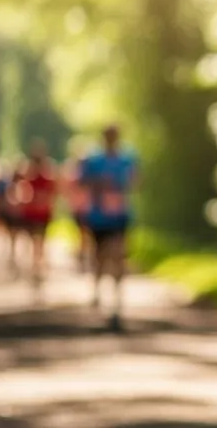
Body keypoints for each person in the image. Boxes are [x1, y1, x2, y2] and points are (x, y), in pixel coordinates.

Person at [78, 124, 138, 331]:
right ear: (104, 138)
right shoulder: (93, 160)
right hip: (98, 217)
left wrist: (125, 183)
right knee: (99, 256)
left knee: (119, 254)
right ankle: (97, 290)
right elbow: (82, 181)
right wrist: (99, 183)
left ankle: (117, 303)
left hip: (120, 216)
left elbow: (136, 181)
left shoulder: (128, 158)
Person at [9, 138, 59, 286]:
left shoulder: (43, 171)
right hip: (33, 212)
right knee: (37, 240)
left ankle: (36, 265)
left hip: (39, 212)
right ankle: (36, 265)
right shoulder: (32, 171)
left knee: (38, 240)